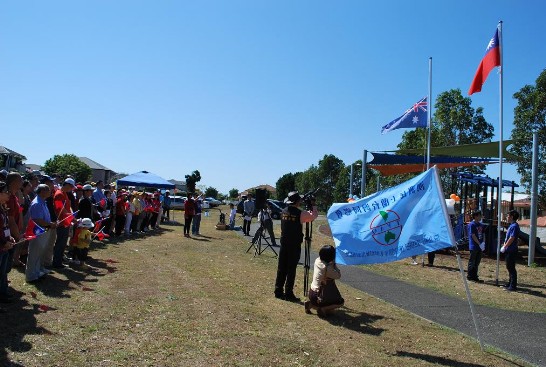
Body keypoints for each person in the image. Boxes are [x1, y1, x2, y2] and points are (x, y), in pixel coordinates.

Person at [274, 191, 318, 302]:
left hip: (284, 243)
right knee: (291, 269)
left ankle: (278, 291)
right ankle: (288, 293)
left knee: (282, 267)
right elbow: (313, 216)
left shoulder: (283, 211)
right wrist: (313, 205)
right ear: (297, 201)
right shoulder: (301, 214)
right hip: (294, 244)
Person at [25, 184, 57, 282]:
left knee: (40, 253)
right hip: (37, 231)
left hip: (43, 230)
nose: (50, 191)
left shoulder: (42, 202)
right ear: (42, 191)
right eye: (47, 190)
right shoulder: (37, 203)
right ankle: (31, 276)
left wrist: (50, 224)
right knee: (34, 254)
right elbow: (37, 220)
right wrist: (50, 224)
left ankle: (36, 272)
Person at [305, 245, 344, 317]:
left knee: (332, 312)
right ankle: (323, 308)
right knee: (340, 302)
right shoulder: (328, 268)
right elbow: (338, 275)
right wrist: (334, 266)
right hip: (321, 295)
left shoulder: (318, 260)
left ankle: (311, 304)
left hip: (312, 292)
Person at [0, 181, 16, 305]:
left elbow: (4, 226)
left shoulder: (3, 207)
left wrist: (9, 237)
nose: (8, 194)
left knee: (3, 272)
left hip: (4, 246)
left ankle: (3, 294)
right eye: (5, 192)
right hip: (1, 246)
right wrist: (3, 242)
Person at [501, 210, 520, 291]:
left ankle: (513, 286)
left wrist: (505, 246)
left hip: (511, 250)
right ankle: (510, 283)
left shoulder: (514, 226)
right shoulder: (512, 225)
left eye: (508, 216)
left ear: (512, 217)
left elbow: (512, 238)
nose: (507, 217)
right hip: (509, 249)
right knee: (509, 267)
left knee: (511, 267)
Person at [467, 210, 485, 282]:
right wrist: (479, 243)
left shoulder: (481, 225)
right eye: (480, 215)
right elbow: (473, 235)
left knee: (477, 262)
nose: (481, 217)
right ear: (476, 216)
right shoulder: (472, 224)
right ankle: (470, 276)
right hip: (474, 246)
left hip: (480, 246)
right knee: (472, 261)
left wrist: (483, 243)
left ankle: (475, 276)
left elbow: (483, 234)